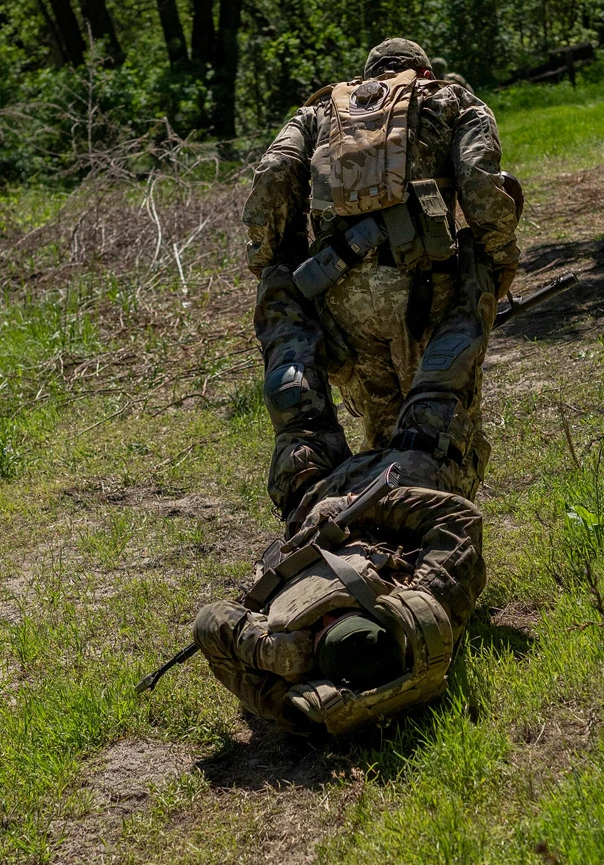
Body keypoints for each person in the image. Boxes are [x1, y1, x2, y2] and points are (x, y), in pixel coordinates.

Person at [195, 274, 489, 735]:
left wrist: (262, 648)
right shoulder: (431, 608)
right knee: (453, 353)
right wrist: (366, 506)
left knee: (287, 385)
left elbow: (211, 623)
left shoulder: (292, 685)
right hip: (408, 477)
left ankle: (278, 270)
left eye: (322, 622)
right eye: (345, 610)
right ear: (383, 613)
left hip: (308, 497)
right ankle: (478, 266)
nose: (326, 611)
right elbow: (458, 518)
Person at [243, 38, 520, 502]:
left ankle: (373, 527)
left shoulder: (318, 114)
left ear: (368, 76)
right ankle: (437, 528)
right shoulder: (451, 99)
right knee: (440, 426)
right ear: (422, 72)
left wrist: (268, 262)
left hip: (339, 294)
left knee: (384, 425)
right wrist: (500, 255)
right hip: (429, 290)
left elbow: (272, 174)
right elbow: (480, 179)